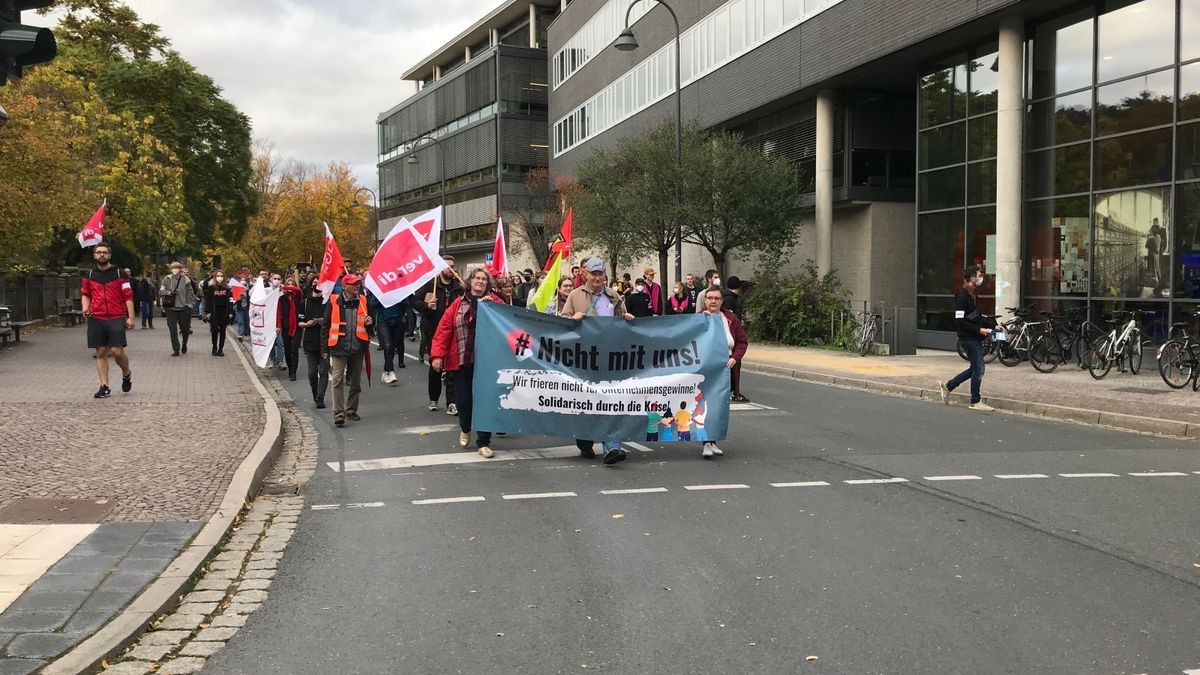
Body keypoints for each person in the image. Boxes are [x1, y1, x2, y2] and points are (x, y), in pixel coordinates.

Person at [561, 257, 636, 465]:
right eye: (593, 274)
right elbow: (562, 322)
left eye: (600, 274)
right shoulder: (575, 295)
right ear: (586, 275)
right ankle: (584, 440)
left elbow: (624, 319)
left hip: (611, 357)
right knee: (586, 401)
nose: (596, 278)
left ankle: (612, 447)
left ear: (605, 275)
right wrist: (571, 318)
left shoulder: (614, 296)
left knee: (611, 400)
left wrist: (627, 317)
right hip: (585, 358)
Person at [430, 268, 504, 458]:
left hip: (487, 363)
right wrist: (438, 355)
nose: (480, 281)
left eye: (483, 279)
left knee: (485, 401)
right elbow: (443, 330)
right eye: (476, 278)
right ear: (470, 281)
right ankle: (465, 427)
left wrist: (494, 308)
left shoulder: (495, 302)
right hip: (463, 360)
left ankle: (484, 441)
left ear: (488, 284)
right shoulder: (457, 304)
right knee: (463, 401)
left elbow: (508, 322)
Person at [940, 265, 1000, 411]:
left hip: (974, 336)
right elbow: (960, 321)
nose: (981, 278)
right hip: (968, 338)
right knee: (979, 368)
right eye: (979, 275)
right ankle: (975, 401)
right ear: (973, 277)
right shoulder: (962, 296)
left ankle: (948, 386)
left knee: (975, 368)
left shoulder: (972, 295)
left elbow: (977, 316)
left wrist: (994, 326)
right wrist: (979, 329)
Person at [80, 244, 134, 398]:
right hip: (97, 317)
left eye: (104, 252)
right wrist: (85, 307)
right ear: (94, 255)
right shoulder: (89, 274)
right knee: (101, 352)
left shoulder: (119, 273)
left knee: (117, 352)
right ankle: (104, 386)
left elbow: (128, 296)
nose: (101, 255)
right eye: (98, 252)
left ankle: (126, 372)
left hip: (116, 316)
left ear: (110, 255)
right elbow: (85, 293)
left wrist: (130, 317)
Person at [700, 285, 748, 457]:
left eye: (716, 298)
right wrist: (702, 322)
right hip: (705, 369)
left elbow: (742, 342)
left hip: (725, 369)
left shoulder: (730, 319)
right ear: (705, 300)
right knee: (706, 405)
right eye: (710, 298)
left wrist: (735, 357)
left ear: (722, 301)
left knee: (719, 406)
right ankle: (706, 442)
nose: (713, 301)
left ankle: (713, 442)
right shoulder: (698, 318)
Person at [322, 274, 373, 426]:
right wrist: (324, 348)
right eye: (353, 284)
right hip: (338, 347)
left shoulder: (363, 301)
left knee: (356, 382)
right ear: (345, 286)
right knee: (337, 380)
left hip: (358, 347)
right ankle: (339, 414)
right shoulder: (334, 302)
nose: (357, 286)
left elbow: (369, 326)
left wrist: (370, 323)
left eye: (358, 283)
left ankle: (351, 410)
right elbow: (325, 326)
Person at [415, 256, 464, 413]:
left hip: (454, 331)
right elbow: (415, 302)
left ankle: (452, 402)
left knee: (452, 367)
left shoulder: (459, 287)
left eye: (452, 267)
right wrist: (426, 305)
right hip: (433, 329)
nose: (450, 270)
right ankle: (434, 398)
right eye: (447, 266)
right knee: (436, 365)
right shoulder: (430, 285)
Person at [369, 288, 409, 384]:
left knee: (392, 347)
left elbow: (407, 304)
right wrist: (381, 298)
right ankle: (390, 372)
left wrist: (399, 299)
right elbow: (372, 304)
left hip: (398, 321)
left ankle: (386, 371)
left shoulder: (401, 290)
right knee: (387, 345)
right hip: (384, 321)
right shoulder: (379, 290)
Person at [300, 281, 329, 408]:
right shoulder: (304, 302)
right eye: (316, 284)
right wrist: (306, 324)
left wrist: (323, 321)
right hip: (310, 341)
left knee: (323, 371)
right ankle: (315, 393)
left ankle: (320, 397)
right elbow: (299, 322)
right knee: (312, 373)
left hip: (325, 342)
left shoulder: (327, 302)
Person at [160, 261, 198, 356]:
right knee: (172, 329)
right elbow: (161, 291)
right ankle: (176, 349)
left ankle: (184, 343)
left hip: (184, 308)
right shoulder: (166, 279)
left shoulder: (185, 279)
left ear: (180, 269)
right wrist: (169, 293)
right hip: (171, 308)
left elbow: (190, 292)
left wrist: (188, 303)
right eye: (173, 268)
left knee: (185, 329)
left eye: (177, 267)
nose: (175, 269)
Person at [278, 276, 303, 380]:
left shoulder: (298, 297)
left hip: (297, 327)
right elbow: (278, 313)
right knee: (287, 350)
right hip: (285, 327)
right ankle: (290, 368)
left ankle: (293, 372)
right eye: (287, 284)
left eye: (291, 284)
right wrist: (278, 326)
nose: (289, 288)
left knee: (294, 350)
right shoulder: (281, 299)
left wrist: (287, 286)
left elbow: (298, 291)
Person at [203, 270, 232, 357]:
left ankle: (221, 349)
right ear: (215, 277)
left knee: (223, 331)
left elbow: (230, 301)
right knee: (215, 330)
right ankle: (214, 347)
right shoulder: (211, 288)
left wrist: (230, 312)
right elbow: (208, 301)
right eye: (218, 276)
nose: (220, 278)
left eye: (221, 276)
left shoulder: (227, 288)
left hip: (224, 312)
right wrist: (208, 312)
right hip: (214, 312)